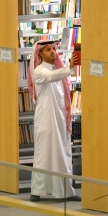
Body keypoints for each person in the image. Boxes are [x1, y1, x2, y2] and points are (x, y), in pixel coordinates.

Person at [27, 40, 80, 202]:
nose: (53, 52)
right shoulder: (39, 71)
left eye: (54, 49)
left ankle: (66, 191)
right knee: (44, 154)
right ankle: (37, 190)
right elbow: (52, 77)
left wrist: (67, 68)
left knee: (62, 153)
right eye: (48, 50)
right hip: (46, 119)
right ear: (40, 54)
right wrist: (69, 67)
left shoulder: (59, 70)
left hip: (60, 119)